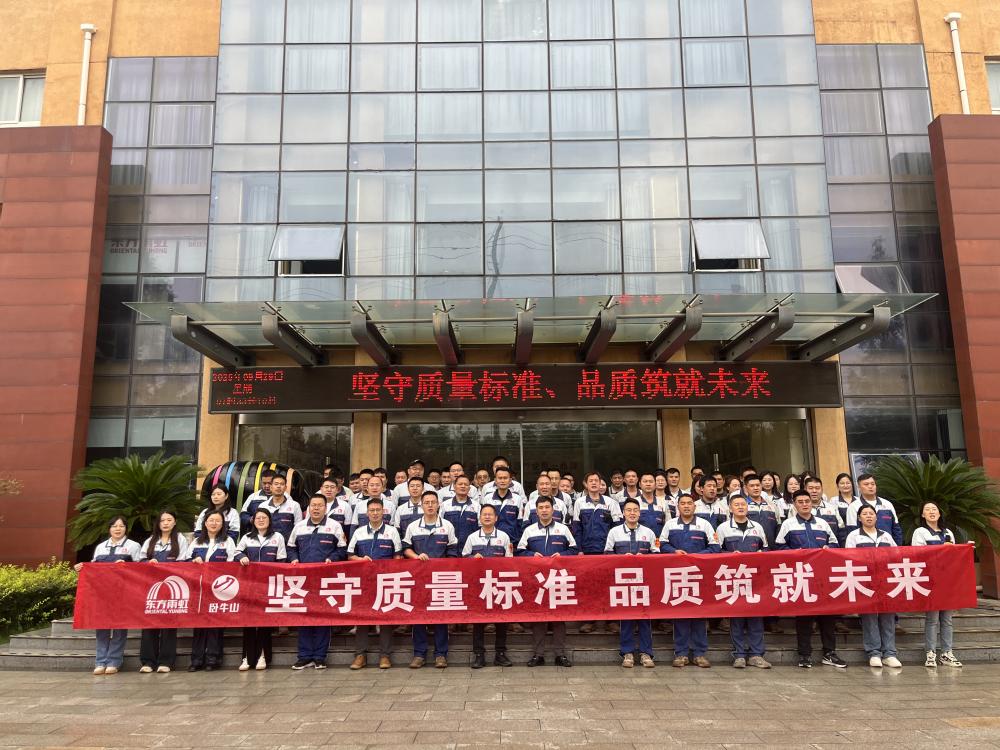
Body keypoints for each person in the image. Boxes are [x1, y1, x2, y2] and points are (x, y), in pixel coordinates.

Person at [775, 490, 847, 670]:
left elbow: (835, 543)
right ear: (794, 504)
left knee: (827, 617)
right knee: (804, 618)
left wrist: (828, 547)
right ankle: (804, 654)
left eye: (807, 501)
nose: (804, 504)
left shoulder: (822, 523)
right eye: (800, 502)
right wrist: (795, 553)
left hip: (823, 577)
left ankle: (829, 653)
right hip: (802, 577)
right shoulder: (788, 524)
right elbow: (779, 548)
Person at [75, 515, 142, 675]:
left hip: (123, 593)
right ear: (109, 529)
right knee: (102, 627)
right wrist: (82, 567)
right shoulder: (100, 547)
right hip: (102, 593)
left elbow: (140, 570)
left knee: (119, 627)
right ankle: (100, 661)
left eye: (121, 526)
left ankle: (114, 661)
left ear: (126, 529)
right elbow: (93, 569)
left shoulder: (133, 546)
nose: (118, 529)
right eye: (114, 526)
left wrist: (127, 566)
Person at [287, 495, 348, 670]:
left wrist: (332, 558)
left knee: (323, 617)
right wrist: (294, 559)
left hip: (325, 579)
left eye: (320, 505)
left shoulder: (334, 526)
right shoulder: (299, 527)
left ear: (325, 508)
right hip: (303, 581)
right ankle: (304, 656)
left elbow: (342, 549)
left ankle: (320, 656)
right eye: (313, 505)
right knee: (304, 617)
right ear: (308, 508)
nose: (316, 508)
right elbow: (291, 548)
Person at [660, 495, 719, 668]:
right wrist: (674, 552)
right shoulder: (670, 524)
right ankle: (681, 653)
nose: (686, 506)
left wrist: (697, 556)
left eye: (689, 504)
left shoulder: (705, 524)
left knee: (700, 614)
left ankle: (700, 654)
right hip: (678, 576)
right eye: (683, 504)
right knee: (680, 614)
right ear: (678, 507)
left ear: (695, 506)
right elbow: (661, 545)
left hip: (699, 576)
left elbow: (715, 547)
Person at [517, 496, 577, 667]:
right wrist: (531, 555)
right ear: (536, 511)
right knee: (539, 618)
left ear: (553, 510)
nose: (544, 510)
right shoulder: (529, 531)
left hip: (558, 580)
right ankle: (538, 655)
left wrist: (562, 555)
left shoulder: (563, 529)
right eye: (541, 508)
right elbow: (519, 552)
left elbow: (574, 550)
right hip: (537, 581)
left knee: (559, 618)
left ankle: (560, 654)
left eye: (547, 507)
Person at [403, 491, 458, 669]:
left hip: (440, 579)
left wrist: (445, 567)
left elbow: (452, 551)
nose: (430, 505)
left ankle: (441, 654)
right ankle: (419, 654)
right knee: (419, 615)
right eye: (426, 502)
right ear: (421, 505)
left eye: (433, 502)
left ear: (438, 504)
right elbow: (406, 549)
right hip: (419, 578)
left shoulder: (447, 526)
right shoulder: (413, 526)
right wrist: (416, 557)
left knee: (440, 616)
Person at [348, 498, 403, 670]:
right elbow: (350, 555)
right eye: (372, 510)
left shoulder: (392, 532)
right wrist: (360, 560)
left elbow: (398, 556)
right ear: (367, 513)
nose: (375, 513)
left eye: (378, 510)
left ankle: (385, 655)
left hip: (386, 581)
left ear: (383, 512)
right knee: (362, 616)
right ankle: (360, 655)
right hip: (364, 581)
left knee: (385, 617)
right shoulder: (359, 532)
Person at [718, 496, 771, 669]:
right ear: (730, 508)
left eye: (743, 504)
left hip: (755, 579)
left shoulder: (757, 527)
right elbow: (716, 552)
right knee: (737, 618)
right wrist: (729, 556)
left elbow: (766, 548)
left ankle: (756, 654)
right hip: (733, 578)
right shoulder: (723, 528)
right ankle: (739, 655)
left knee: (756, 617)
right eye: (736, 505)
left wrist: (762, 554)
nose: (740, 507)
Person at [844, 506, 900, 669]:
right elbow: (849, 558)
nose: (868, 516)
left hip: (885, 581)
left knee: (887, 617)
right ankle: (874, 653)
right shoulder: (853, 536)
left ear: (876, 517)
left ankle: (889, 653)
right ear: (859, 518)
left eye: (871, 514)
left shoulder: (886, 536)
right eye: (865, 514)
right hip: (865, 582)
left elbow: (896, 555)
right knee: (869, 617)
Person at [184, 509, 238, 671]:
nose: (214, 523)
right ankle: (196, 659)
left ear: (223, 524)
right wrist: (193, 560)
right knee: (199, 624)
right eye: (211, 520)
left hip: (219, 588)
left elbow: (232, 564)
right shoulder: (197, 541)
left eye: (217, 521)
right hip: (199, 588)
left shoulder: (228, 541)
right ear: (205, 523)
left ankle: (213, 659)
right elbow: (186, 561)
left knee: (215, 624)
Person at [912, 501, 964, 668]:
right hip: (930, 580)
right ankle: (930, 653)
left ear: (939, 513)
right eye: (927, 509)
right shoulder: (920, 532)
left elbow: (954, 556)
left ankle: (947, 653)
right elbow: (918, 554)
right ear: (922, 515)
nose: (931, 512)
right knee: (932, 619)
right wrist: (941, 549)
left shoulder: (948, 533)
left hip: (947, 580)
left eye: (934, 509)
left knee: (947, 619)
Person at [606, 498, 657, 668]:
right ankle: (627, 652)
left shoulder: (649, 532)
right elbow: (607, 555)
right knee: (626, 617)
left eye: (635, 510)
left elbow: (657, 556)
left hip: (644, 582)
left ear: (640, 513)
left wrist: (647, 558)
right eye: (629, 510)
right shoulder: (614, 532)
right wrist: (621, 558)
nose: (632, 513)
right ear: (623, 513)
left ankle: (646, 653)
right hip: (623, 583)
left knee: (645, 617)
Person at [235, 508, 287, 671]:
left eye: (264, 517)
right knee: (249, 622)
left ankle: (263, 656)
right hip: (249, 586)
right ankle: (247, 657)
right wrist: (242, 556)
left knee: (264, 623)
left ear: (270, 520)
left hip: (268, 586)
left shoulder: (277, 537)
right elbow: (236, 552)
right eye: (258, 518)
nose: (261, 520)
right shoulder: (247, 537)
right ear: (253, 521)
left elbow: (282, 560)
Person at [463, 504, 514, 668]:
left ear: (496, 518)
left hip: (499, 584)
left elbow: (510, 560)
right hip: (479, 585)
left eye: (490, 514)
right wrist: (472, 558)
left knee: (501, 620)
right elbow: (463, 558)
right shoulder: (472, 537)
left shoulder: (504, 537)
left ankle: (500, 653)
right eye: (484, 514)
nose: (487, 517)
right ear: (479, 518)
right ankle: (479, 655)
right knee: (478, 620)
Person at [138, 510, 188, 673]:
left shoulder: (180, 539)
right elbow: (141, 560)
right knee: (149, 624)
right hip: (152, 587)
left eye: (169, 520)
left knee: (168, 624)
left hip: (171, 588)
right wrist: (148, 562)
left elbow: (183, 562)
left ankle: (166, 661)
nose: (165, 523)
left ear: (175, 522)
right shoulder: (151, 540)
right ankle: (148, 661)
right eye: (162, 520)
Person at [572, 472, 622, 634]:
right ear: (585, 484)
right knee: (588, 586)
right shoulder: (579, 503)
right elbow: (577, 529)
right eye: (591, 481)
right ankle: (589, 620)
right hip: (587, 552)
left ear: (601, 484)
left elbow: (617, 529)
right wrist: (579, 550)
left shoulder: (611, 503)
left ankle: (611, 620)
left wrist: (614, 550)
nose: (594, 483)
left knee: (609, 585)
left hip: (606, 551)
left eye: (597, 481)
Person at [846, 473, 904, 545]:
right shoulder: (853, 506)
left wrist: (898, 549)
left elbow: (896, 529)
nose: (870, 486)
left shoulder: (887, 504)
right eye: (866, 484)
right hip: (864, 548)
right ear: (859, 487)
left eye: (872, 484)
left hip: (887, 547)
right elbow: (852, 530)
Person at [483, 466, 525, 545]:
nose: (502, 481)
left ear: (510, 480)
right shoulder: (487, 498)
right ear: (495, 480)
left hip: (512, 542)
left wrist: (517, 541)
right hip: (491, 542)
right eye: (500, 478)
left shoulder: (517, 499)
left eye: (505, 478)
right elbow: (483, 522)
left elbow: (520, 523)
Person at [440, 474, 480, 553]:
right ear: (454, 486)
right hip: (449, 549)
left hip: (470, 550)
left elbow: (480, 528)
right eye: (460, 484)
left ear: (469, 488)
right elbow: (440, 527)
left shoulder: (476, 506)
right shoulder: (445, 505)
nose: (463, 486)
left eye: (466, 484)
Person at [256, 474, 302, 542]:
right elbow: (259, 528)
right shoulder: (263, 506)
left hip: (288, 545)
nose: (279, 486)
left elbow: (299, 528)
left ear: (285, 488)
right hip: (267, 545)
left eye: (282, 484)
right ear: (271, 487)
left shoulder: (295, 505)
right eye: (276, 484)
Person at [804, 476, 848, 547]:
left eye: (817, 488)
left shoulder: (832, 508)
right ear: (805, 490)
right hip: (808, 551)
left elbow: (841, 532)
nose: (814, 491)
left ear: (822, 490)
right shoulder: (800, 509)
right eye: (811, 488)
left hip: (831, 550)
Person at [636, 472, 667, 538]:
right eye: (645, 481)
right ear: (640, 484)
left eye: (651, 481)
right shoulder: (634, 502)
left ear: (655, 484)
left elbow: (668, 524)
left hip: (659, 541)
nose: (648, 484)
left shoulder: (663, 502)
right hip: (640, 540)